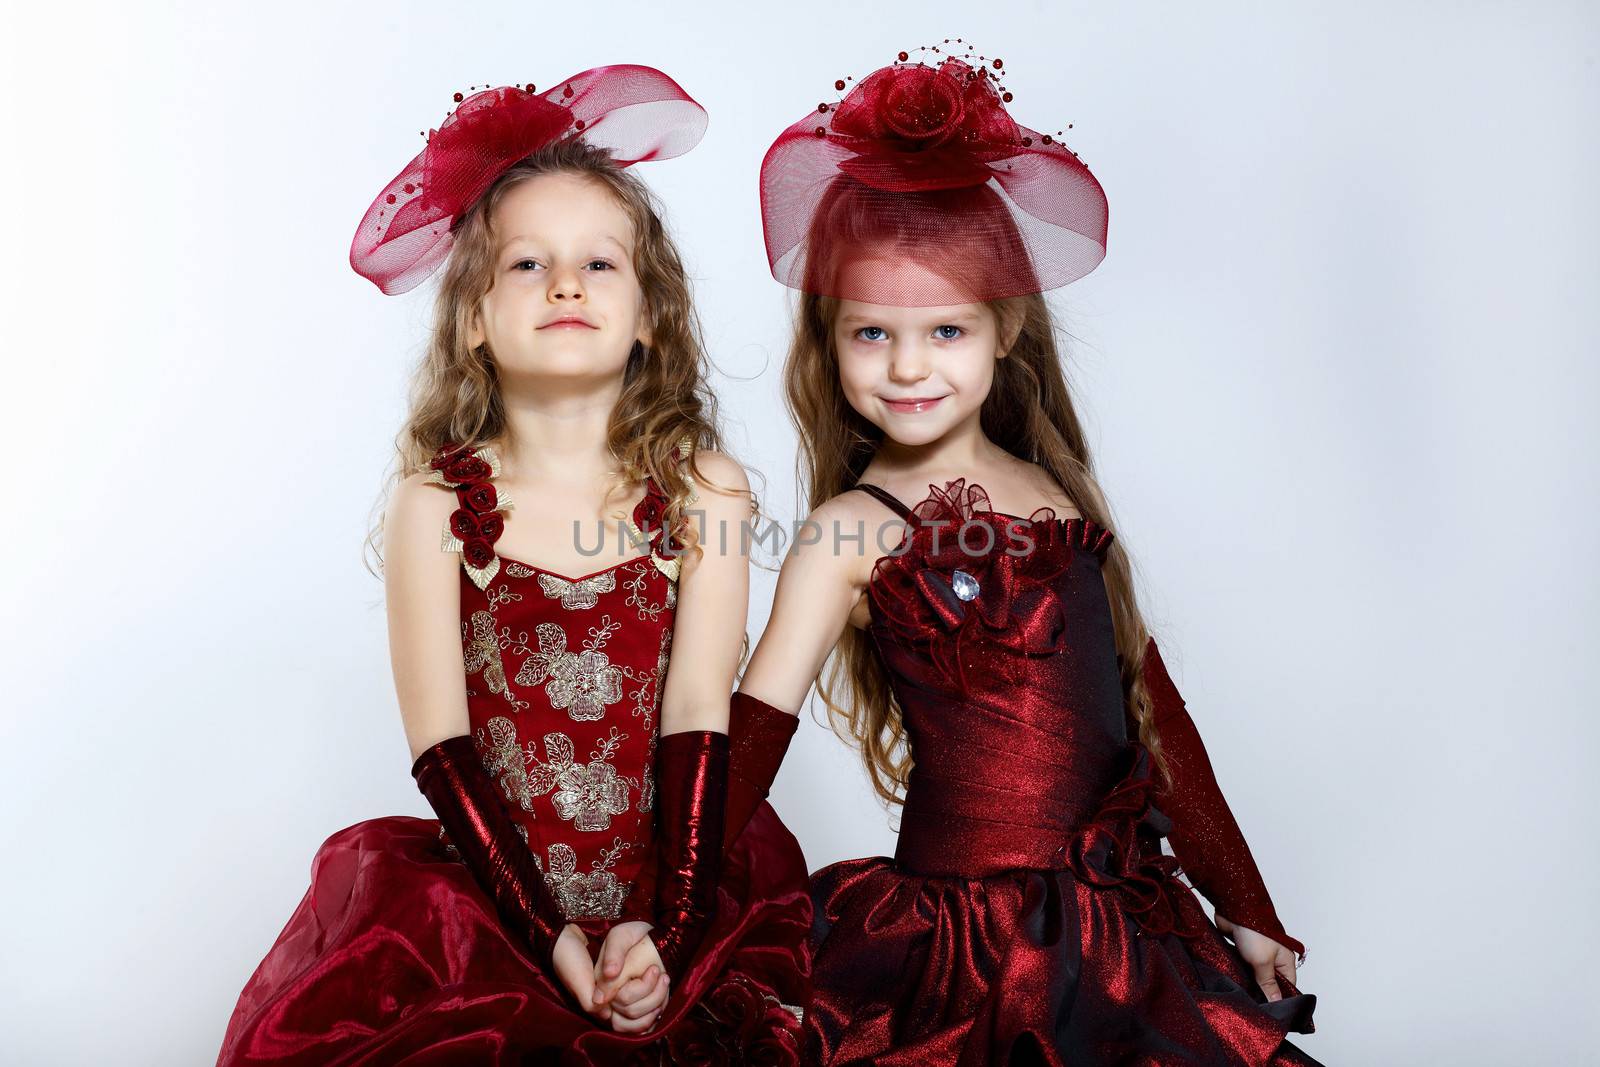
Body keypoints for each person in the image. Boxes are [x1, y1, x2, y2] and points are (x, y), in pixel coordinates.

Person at [728, 45, 1321, 1064]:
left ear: (1004, 330)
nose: (907, 364)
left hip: (1124, 937)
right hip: (960, 954)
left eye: (945, 328)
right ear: (828, 340)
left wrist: (1247, 902)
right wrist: (652, 909)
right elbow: (747, 738)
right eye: (870, 333)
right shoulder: (848, 529)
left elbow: (1153, 718)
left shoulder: (1057, 494)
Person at [216, 67, 809, 1065]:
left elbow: (699, 714)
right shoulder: (436, 502)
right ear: (474, 320)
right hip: (499, 908)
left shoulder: (705, 485)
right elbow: (442, 747)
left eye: (598, 263)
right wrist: (550, 941)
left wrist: (662, 932)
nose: (565, 282)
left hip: (670, 893)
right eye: (526, 263)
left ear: (651, 314)